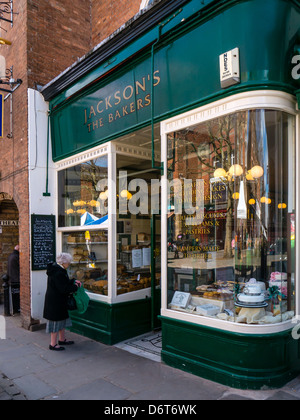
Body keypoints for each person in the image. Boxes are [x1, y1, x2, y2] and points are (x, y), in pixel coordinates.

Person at [43, 253, 81, 352]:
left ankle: (62, 339)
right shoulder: (58, 272)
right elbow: (63, 289)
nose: (69, 264)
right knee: (55, 323)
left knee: (62, 321)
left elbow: (63, 282)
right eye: (68, 262)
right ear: (64, 262)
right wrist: (75, 287)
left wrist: (73, 281)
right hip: (56, 302)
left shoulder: (57, 269)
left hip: (57, 300)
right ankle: (53, 344)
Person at [7, 245, 20, 315]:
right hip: (16, 278)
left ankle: (14, 309)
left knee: (14, 296)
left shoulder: (10, 255)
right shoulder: (17, 256)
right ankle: (17, 309)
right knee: (17, 297)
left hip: (11, 278)